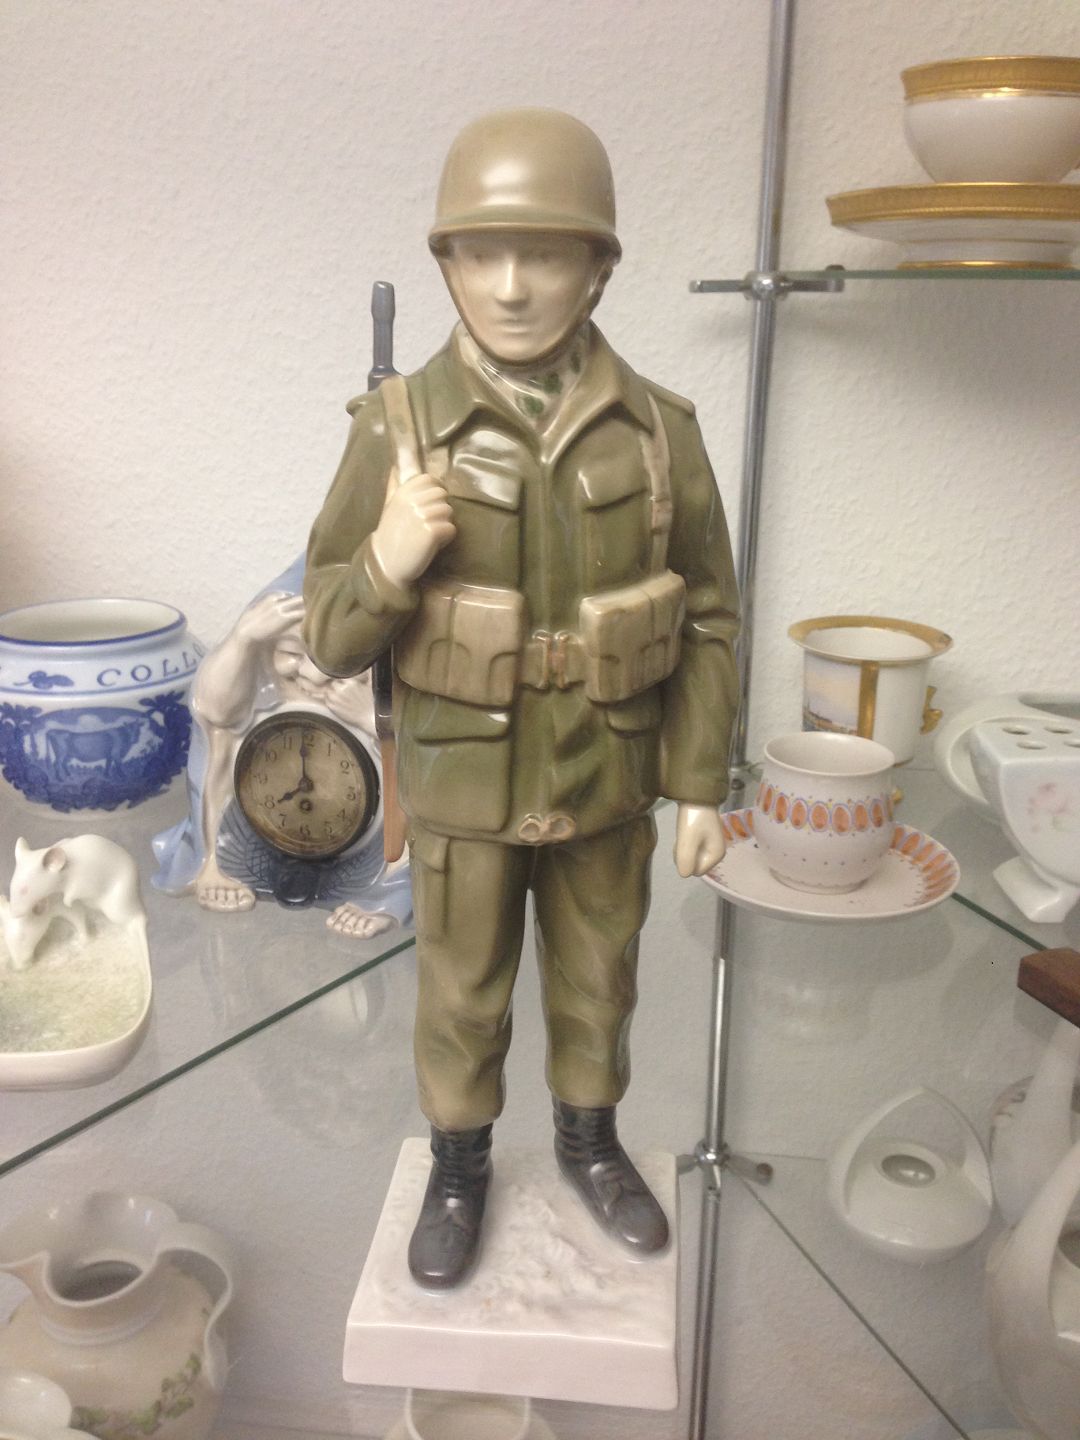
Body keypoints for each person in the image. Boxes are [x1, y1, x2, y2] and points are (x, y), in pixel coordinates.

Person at [304, 108, 740, 1288]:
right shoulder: (396, 430)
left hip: (608, 771)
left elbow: (709, 613)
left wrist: (701, 783)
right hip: (462, 779)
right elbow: (329, 632)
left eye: (544, 253)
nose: (508, 285)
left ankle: (591, 1144)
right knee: (461, 991)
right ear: (445, 263)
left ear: (598, 268)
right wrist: (390, 559)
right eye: (480, 253)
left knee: (603, 977)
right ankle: (459, 1165)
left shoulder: (659, 433)